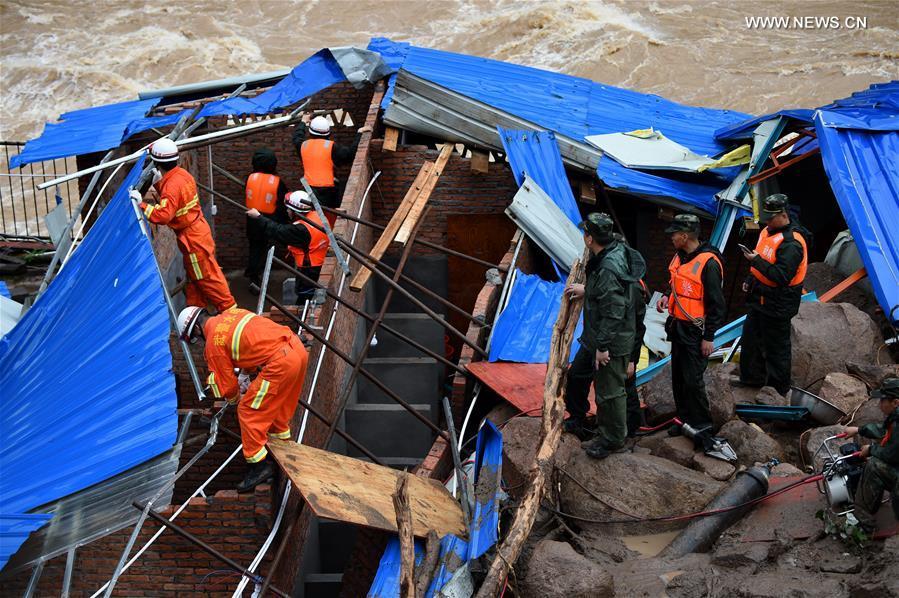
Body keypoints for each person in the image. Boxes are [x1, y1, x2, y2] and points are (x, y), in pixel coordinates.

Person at [177, 305, 309, 492]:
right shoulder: (232, 314)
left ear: (197, 329)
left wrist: (234, 399)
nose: (199, 342)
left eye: (196, 339)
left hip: (279, 364)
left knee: (247, 411)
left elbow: (229, 387)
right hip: (297, 351)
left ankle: (259, 466)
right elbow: (252, 343)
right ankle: (282, 452)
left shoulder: (213, 343)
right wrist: (245, 374)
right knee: (277, 411)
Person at [563, 213, 646, 459]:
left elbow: (614, 310)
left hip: (609, 339)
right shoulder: (611, 250)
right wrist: (588, 291)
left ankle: (613, 439)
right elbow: (609, 294)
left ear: (589, 238)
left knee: (610, 392)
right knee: (577, 375)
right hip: (596, 335)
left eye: (585, 234)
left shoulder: (610, 266)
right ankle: (580, 419)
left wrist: (603, 346)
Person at [132, 138, 235, 313]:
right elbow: (175, 199)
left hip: (192, 239)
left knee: (205, 277)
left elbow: (164, 215)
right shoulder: (183, 175)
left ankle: (231, 311)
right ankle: (194, 317)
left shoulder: (172, 184)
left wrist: (141, 204)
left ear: (157, 162)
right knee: (195, 278)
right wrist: (158, 184)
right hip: (198, 231)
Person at [656, 214, 726, 435]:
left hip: (696, 331)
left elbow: (716, 305)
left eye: (674, 234)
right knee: (678, 377)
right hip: (677, 326)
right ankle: (684, 421)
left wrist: (709, 337)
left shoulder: (709, 263)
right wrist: (668, 296)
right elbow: (678, 283)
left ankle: (702, 426)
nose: (671, 238)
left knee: (692, 380)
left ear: (685, 236)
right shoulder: (680, 257)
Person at [737, 194, 809, 396]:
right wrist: (749, 280)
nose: (767, 221)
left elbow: (782, 276)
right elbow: (762, 261)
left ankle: (778, 392)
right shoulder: (767, 232)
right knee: (751, 340)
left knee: (776, 349)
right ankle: (751, 380)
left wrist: (756, 260)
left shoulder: (792, 243)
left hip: (779, 304)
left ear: (784, 215)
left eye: (770, 217)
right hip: (758, 298)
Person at [247, 190, 334, 301]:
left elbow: (278, 231)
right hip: (319, 263)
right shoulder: (317, 216)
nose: (287, 211)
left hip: (309, 271)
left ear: (295, 211)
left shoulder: (301, 230)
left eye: (289, 209)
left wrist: (258, 217)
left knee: (304, 299)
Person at [845, 378, 899, 533]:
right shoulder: (896, 417)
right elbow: (883, 431)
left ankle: (863, 523)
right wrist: (858, 430)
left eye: (883, 400)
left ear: (895, 402)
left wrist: (871, 450)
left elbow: (892, 455)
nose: (879, 403)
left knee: (874, 465)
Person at [291, 115, 371, 209]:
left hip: (308, 188)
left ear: (310, 132)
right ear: (328, 133)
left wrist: (303, 122)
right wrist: (359, 134)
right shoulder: (332, 147)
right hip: (328, 190)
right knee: (329, 214)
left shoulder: (302, 145)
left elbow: (297, 136)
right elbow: (349, 155)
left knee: (312, 213)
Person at [244, 148, 289, 286]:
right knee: (264, 249)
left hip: (252, 220)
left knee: (255, 248)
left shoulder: (250, 178)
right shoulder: (277, 182)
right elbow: (283, 200)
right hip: (269, 220)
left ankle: (253, 274)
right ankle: (255, 277)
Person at [626, 277, 649, 437]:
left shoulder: (633, 289)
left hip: (627, 351)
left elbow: (637, 329)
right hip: (621, 347)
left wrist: (631, 360)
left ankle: (633, 426)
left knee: (627, 385)